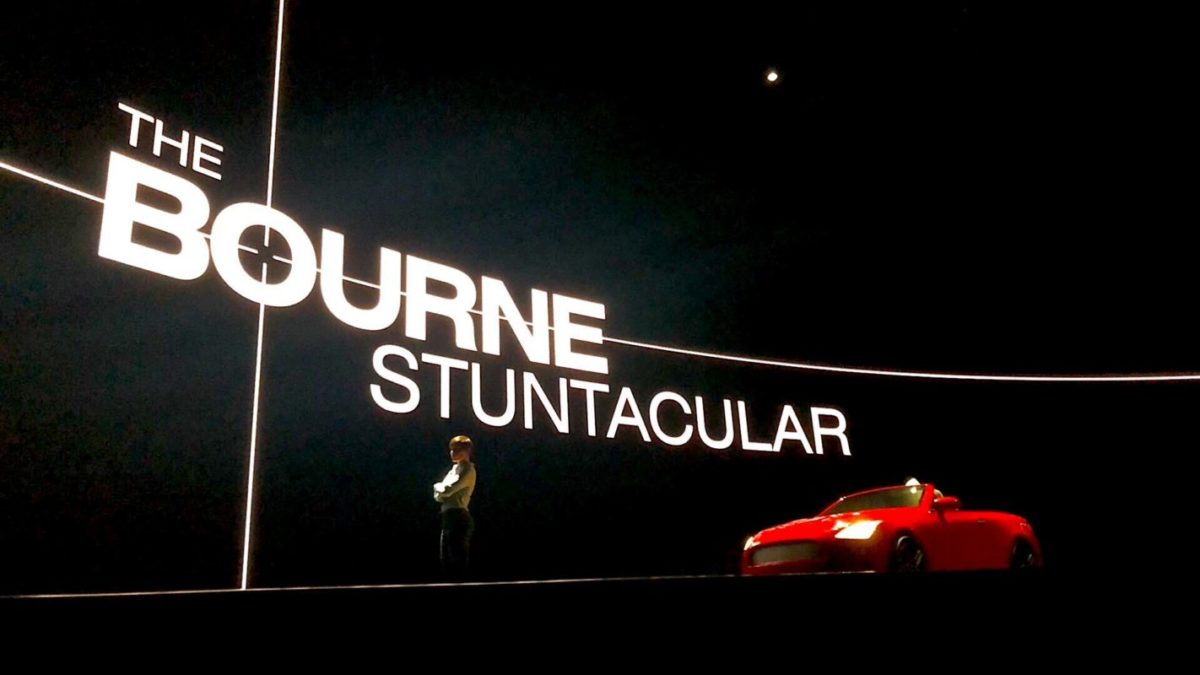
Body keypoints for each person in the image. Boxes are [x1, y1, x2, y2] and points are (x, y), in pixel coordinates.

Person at [433, 434, 477, 579]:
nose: (452, 452)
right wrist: (441, 490)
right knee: (446, 559)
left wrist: (438, 487)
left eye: (457, 449)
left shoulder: (468, 469)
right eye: (452, 449)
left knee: (456, 560)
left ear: (467, 451)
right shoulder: (454, 470)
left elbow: (446, 490)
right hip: (448, 517)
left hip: (458, 517)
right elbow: (438, 496)